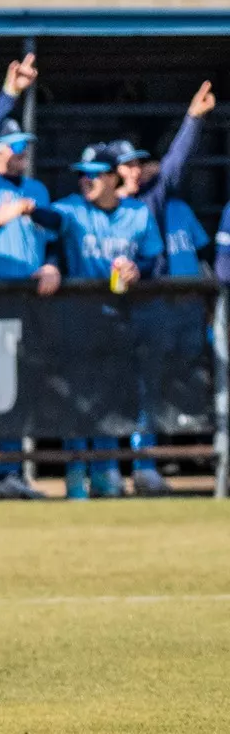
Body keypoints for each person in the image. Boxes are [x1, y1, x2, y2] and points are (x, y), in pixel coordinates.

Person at [0, 54, 60, 500]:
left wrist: (53, 263)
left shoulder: (35, 191)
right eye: (15, 147)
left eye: (25, 148)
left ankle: (10, 474)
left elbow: (57, 229)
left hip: (27, 297)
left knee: (18, 390)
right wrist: (10, 94)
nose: (22, 154)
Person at [115, 82, 215, 495]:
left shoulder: (154, 202)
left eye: (140, 163)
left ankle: (204, 456)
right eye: (127, 165)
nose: (136, 170)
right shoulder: (95, 209)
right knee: (143, 391)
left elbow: (174, 166)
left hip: (176, 312)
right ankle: (142, 465)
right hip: (131, 313)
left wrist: (193, 120)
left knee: (199, 382)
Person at [53, 142, 163, 501]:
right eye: (82, 175)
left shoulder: (137, 213)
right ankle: (74, 476)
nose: (86, 180)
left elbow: (154, 262)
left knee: (110, 400)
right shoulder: (71, 209)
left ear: (114, 177)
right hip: (76, 320)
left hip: (119, 319)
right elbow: (48, 222)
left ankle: (105, 472)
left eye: (95, 174)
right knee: (77, 401)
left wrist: (138, 270)